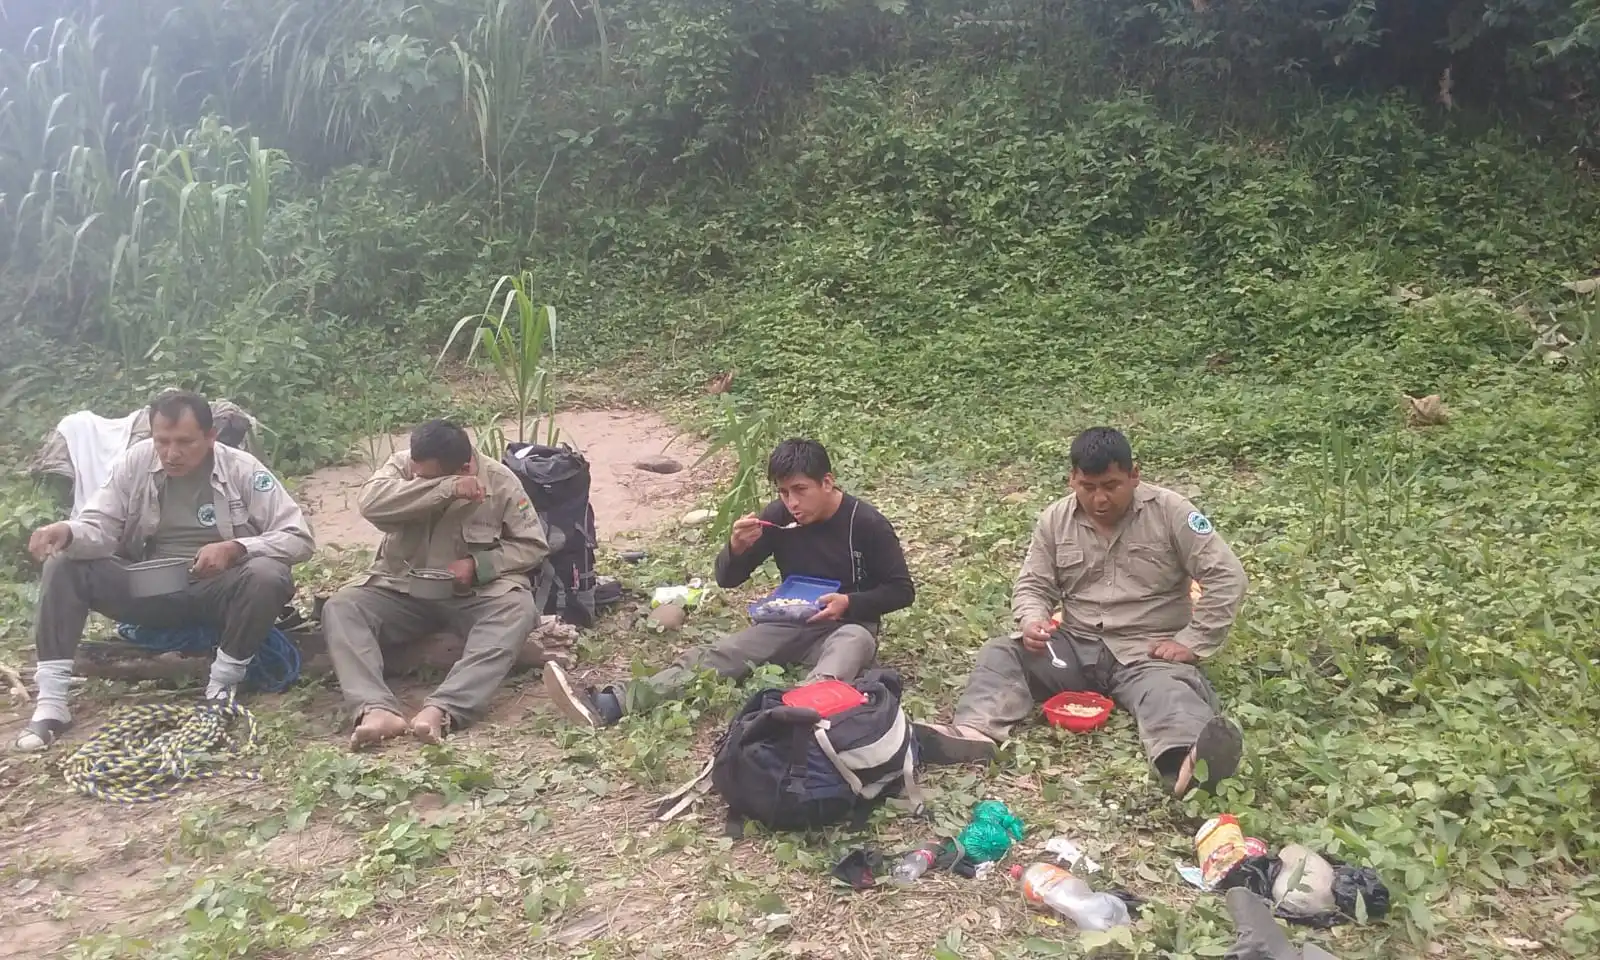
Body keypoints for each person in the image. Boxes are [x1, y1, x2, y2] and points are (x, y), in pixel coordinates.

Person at [915, 427, 1249, 796]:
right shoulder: (1055, 520)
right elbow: (1033, 586)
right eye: (1088, 487)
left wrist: (1192, 641)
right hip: (1075, 645)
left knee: (1169, 691)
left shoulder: (1172, 513)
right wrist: (1033, 619)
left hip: (1148, 651)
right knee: (1003, 651)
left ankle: (1189, 765)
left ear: (1134, 475)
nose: (1100, 499)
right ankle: (975, 733)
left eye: (1111, 485)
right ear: (1073, 478)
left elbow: (1227, 577)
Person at [544, 438, 915, 729]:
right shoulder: (778, 518)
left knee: (842, 659)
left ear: (828, 482)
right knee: (723, 655)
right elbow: (727, 579)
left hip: (850, 624)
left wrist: (849, 603)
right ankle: (613, 702)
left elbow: (901, 590)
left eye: (801, 490)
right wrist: (735, 548)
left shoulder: (866, 523)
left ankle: (800, 724)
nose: (792, 502)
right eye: (784, 492)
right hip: (793, 619)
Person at [17, 390, 313, 752]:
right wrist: (68, 531)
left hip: (218, 591)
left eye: (185, 442)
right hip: (148, 584)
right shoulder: (135, 463)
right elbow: (99, 524)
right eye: (163, 441)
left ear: (210, 437)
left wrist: (237, 548)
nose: (172, 453)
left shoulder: (243, 470)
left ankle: (221, 687)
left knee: (268, 575)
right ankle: (52, 702)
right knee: (64, 564)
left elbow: (298, 537)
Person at [321, 419, 549, 748]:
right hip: (402, 588)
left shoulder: (499, 481)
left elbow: (533, 545)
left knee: (518, 609)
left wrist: (478, 565)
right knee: (343, 607)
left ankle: (443, 709)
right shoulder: (403, 465)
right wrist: (446, 488)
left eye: (427, 476)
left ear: (465, 465)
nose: (415, 475)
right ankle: (375, 709)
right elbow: (370, 504)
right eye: (415, 470)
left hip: (473, 594)